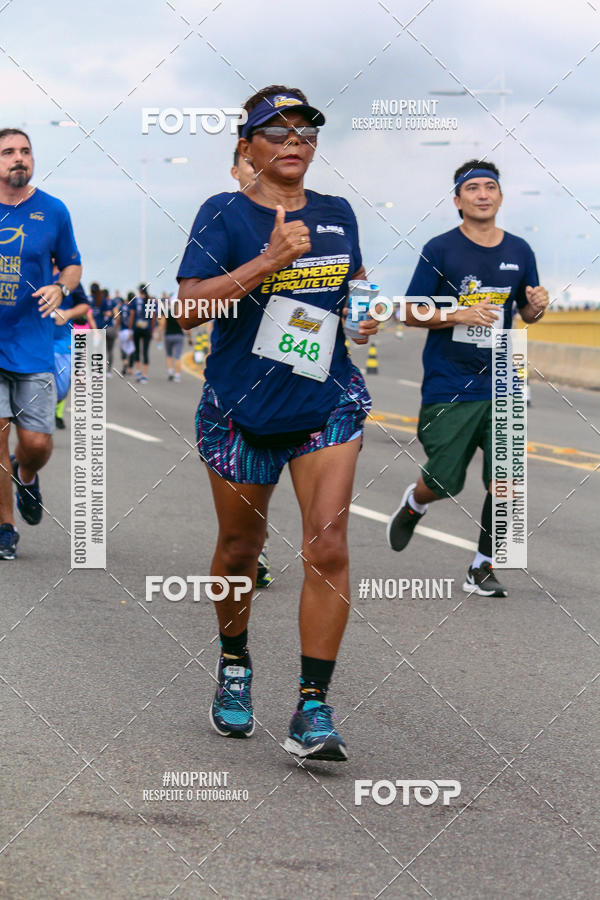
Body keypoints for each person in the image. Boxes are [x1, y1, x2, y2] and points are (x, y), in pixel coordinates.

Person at [177, 86, 377, 760]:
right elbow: (185, 310)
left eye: (306, 131)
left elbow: (352, 287)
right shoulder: (223, 213)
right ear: (247, 147)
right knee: (239, 548)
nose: (295, 141)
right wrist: (268, 262)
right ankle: (235, 666)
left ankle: (312, 708)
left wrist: (365, 314)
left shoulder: (337, 212)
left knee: (328, 545)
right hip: (240, 409)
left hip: (325, 400)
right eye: (278, 131)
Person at [386, 160, 549, 597]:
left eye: (490, 187)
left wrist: (537, 306)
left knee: (507, 482)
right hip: (449, 381)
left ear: (500, 196)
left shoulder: (520, 251)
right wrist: (457, 313)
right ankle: (416, 502)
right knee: (444, 480)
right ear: (458, 201)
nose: (482, 194)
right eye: (472, 188)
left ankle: (481, 566)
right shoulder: (439, 250)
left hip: (504, 378)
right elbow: (409, 311)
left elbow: (526, 313)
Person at [0, 128, 82, 560]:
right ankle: (5, 526)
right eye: (9, 152)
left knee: (35, 443)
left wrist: (61, 288)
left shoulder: (52, 210)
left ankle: (26, 474)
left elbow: (72, 264)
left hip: (34, 345)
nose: (19, 158)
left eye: (25, 151)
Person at [230, 146, 272, 587]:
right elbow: (193, 304)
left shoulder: (319, 215)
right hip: (244, 384)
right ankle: (252, 549)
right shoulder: (226, 217)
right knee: (248, 502)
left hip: (310, 380)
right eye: (247, 164)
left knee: (328, 534)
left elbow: (351, 281)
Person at [52, 264, 91, 430]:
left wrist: (67, 314)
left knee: (61, 390)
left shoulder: (70, 279)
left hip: (63, 342)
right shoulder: (33, 272)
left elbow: (84, 306)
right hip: (35, 341)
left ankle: (53, 410)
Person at [157, 292, 185, 382]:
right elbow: (187, 325)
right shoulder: (180, 313)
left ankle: (170, 371)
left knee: (169, 355)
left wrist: (159, 336)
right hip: (179, 335)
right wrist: (190, 337)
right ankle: (177, 375)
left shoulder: (166, 312)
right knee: (177, 356)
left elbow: (162, 325)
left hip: (168, 335)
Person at [129, 284, 153, 383]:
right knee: (145, 351)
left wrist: (130, 329)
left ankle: (138, 371)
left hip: (137, 328)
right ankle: (145, 374)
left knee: (137, 350)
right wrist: (152, 330)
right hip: (147, 328)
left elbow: (132, 316)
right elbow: (153, 317)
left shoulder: (135, 301)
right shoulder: (150, 301)